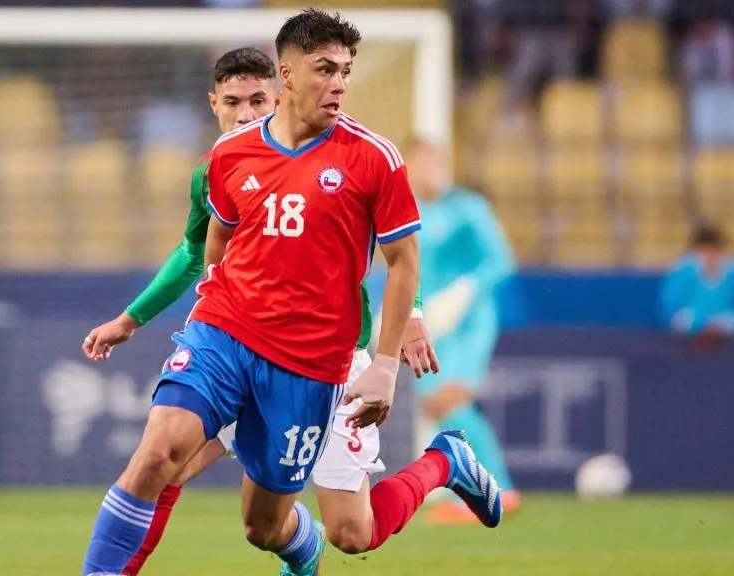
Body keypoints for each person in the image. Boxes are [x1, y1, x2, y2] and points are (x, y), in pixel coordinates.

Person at [79, 12, 502, 576]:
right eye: (325, 69)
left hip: (314, 363)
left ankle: (442, 463)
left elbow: (403, 257)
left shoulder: (373, 158)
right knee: (161, 454)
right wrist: (165, 315)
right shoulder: (226, 160)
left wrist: (387, 357)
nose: (338, 83)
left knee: (307, 530)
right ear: (289, 73)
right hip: (226, 336)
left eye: (345, 72)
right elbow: (210, 249)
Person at [402, 137, 522, 523]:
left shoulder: (468, 208)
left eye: (432, 161)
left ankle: (497, 488)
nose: (428, 169)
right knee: (436, 404)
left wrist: (465, 290)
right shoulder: (409, 211)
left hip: (469, 320)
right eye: (419, 163)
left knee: (450, 398)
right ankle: (476, 491)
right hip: (430, 322)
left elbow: (502, 260)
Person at [661, 222, 734, 342]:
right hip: (692, 319)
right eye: (704, 248)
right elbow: (671, 301)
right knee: (683, 320)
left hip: (726, 319)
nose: (709, 253)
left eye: (713, 248)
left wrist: (719, 324)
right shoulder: (683, 269)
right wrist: (698, 322)